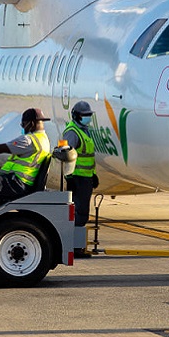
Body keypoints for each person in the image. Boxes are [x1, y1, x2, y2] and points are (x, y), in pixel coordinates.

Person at [62, 100, 98, 255]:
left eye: (89, 115)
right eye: (84, 115)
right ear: (76, 116)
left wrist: (93, 174)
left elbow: (88, 157)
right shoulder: (72, 132)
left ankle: (77, 245)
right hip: (77, 178)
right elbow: (64, 154)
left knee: (82, 211)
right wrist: (69, 177)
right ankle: (75, 246)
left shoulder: (84, 130)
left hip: (86, 177)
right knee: (79, 212)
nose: (87, 118)